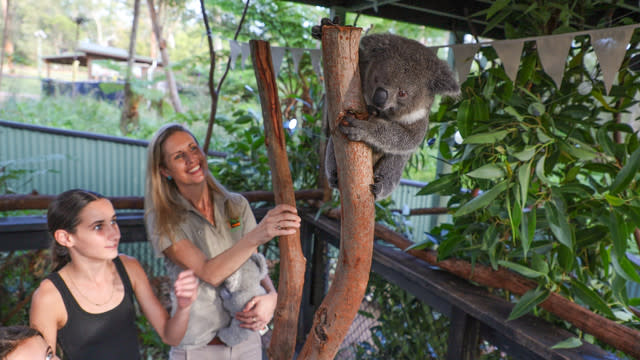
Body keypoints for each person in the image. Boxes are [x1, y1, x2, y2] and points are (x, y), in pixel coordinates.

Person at [144, 123, 301, 359]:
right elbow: (209, 272)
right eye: (179, 156)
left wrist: (272, 297)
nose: (191, 159)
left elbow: (254, 265)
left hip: (246, 340)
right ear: (165, 171)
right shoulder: (163, 219)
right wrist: (258, 234)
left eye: (193, 148)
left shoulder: (236, 205)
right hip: (197, 348)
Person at [29, 189, 199, 360]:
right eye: (98, 226)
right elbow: (39, 357)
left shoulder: (129, 268)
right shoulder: (48, 296)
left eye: (113, 222)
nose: (114, 234)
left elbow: (171, 337)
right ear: (65, 238)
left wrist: (184, 307)